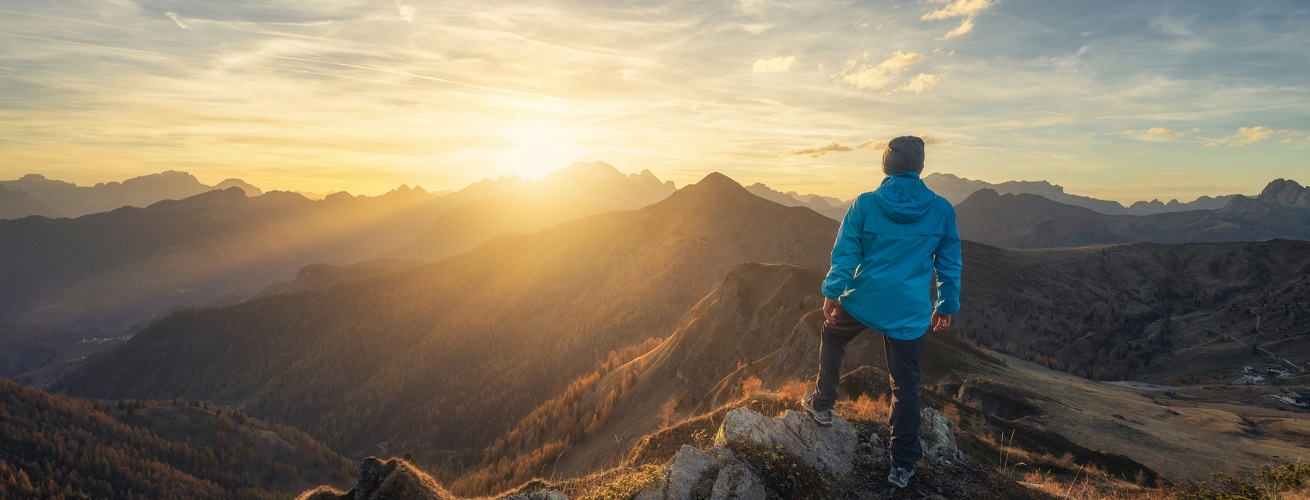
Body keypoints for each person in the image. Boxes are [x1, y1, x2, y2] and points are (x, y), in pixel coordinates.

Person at [800, 135, 962, 489]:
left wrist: (832, 292)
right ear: (919, 167)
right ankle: (902, 465)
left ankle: (823, 404)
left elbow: (846, 255)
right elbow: (949, 265)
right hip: (909, 311)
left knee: (832, 335)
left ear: (886, 166)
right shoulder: (941, 209)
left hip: (864, 299)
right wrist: (946, 305)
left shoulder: (865, 204)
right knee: (905, 385)